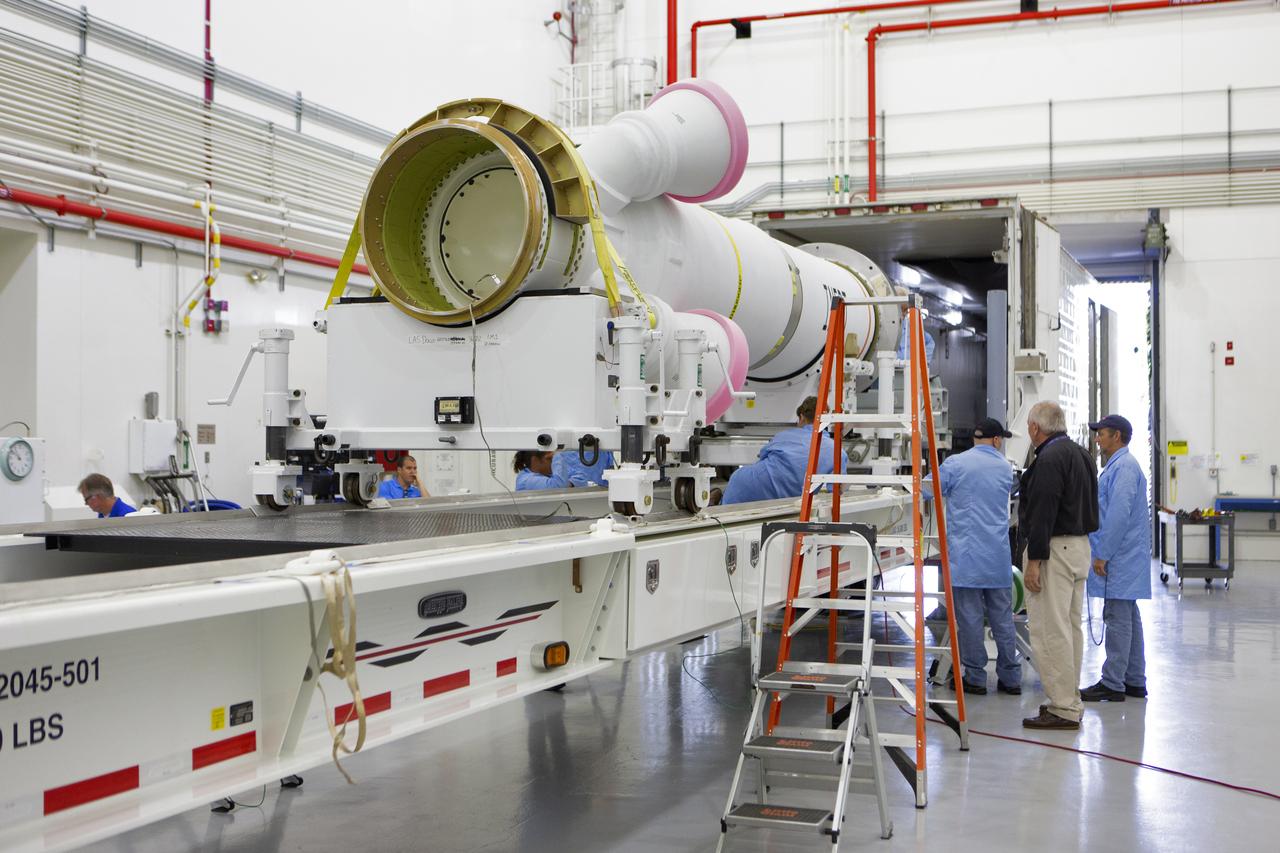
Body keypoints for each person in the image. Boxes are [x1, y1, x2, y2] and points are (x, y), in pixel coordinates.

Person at [1017, 401, 1099, 730]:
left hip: (1055, 550)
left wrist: (1034, 561)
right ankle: (1070, 698)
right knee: (1070, 628)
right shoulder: (1081, 454)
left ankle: (1063, 707)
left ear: (1036, 428)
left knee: (1050, 630)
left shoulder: (1048, 459)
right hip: (1079, 547)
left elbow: (1043, 513)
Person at [928, 419, 1021, 696]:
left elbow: (927, 488)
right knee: (1002, 619)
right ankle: (1011, 678)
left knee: (970, 620)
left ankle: (976, 678)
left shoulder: (956, 464)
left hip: (966, 558)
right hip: (997, 558)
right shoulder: (1005, 468)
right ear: (996, 440)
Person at [1080, 414, 1151, 702]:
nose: (1097, 439)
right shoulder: (1120, 466)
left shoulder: (1124, 468)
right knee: (1128, 616)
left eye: (1102, 434)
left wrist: (1103, 554)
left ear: (1117, 436)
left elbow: (1118, 516)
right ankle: (1134, 680)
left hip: (1120, 557)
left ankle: (1112, 683)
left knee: (1118, 618)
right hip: (1125, 556)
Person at [721, 396, 846, 505]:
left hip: (750, 484)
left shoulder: (784, 435)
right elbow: (836, 491)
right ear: (827, 420)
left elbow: (762, 457)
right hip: (790, 496)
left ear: (801, 417)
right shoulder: (837, 451)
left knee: (727, 506)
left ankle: (716, 500)